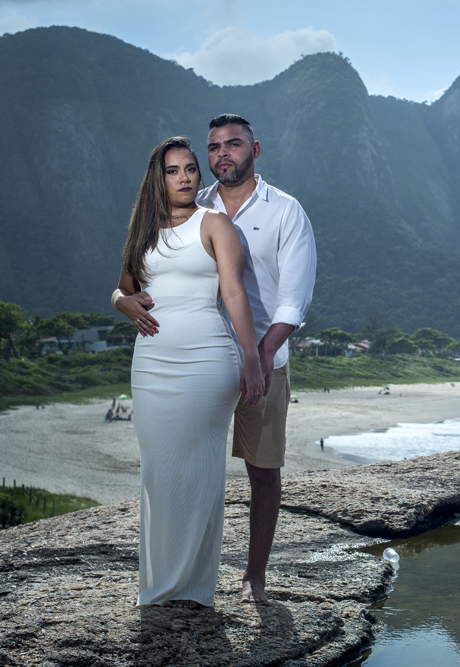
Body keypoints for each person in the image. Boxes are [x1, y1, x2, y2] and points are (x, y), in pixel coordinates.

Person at [118, 115, 316, 605]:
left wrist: (261, 356)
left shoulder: (286, 212)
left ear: (256, 149)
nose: (222, 154)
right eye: (214, 148)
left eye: (234, 144)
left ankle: (254, 576)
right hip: (195, 355)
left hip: (260, 357)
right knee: (181, 466)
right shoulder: (194, 206)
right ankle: (178, 576)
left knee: (261, 466)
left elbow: (294, 299)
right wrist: (119, 300)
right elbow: (144, 273)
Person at [111, 136, 264, 609]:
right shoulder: (143, 231)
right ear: (159, 179)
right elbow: (121, 291)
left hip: (207, 362)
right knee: (159, 472)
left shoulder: (214, 223)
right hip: (152, 365)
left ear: (200, 175)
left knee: (199, 473)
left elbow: (235, 294)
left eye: (191, 169)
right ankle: (158, 589)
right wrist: (122, 303)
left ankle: (195, 591)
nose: (184, 178)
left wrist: (252, 358)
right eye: (173, 171)